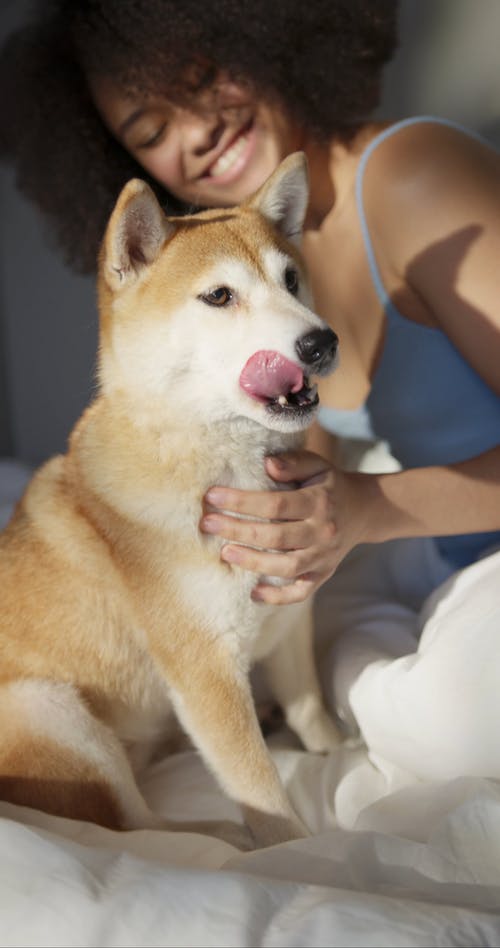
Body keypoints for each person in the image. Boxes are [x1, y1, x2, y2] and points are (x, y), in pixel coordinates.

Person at [2, 0, 500, 779]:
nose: (195, 132)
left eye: (201, 81)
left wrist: (370, 507)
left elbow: (358, 504)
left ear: (269, 34)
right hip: (443, 558)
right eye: (150, 133)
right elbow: (304, 481)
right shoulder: (272, 273)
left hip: (465, 550)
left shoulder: (413, 177)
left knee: (449, 728)